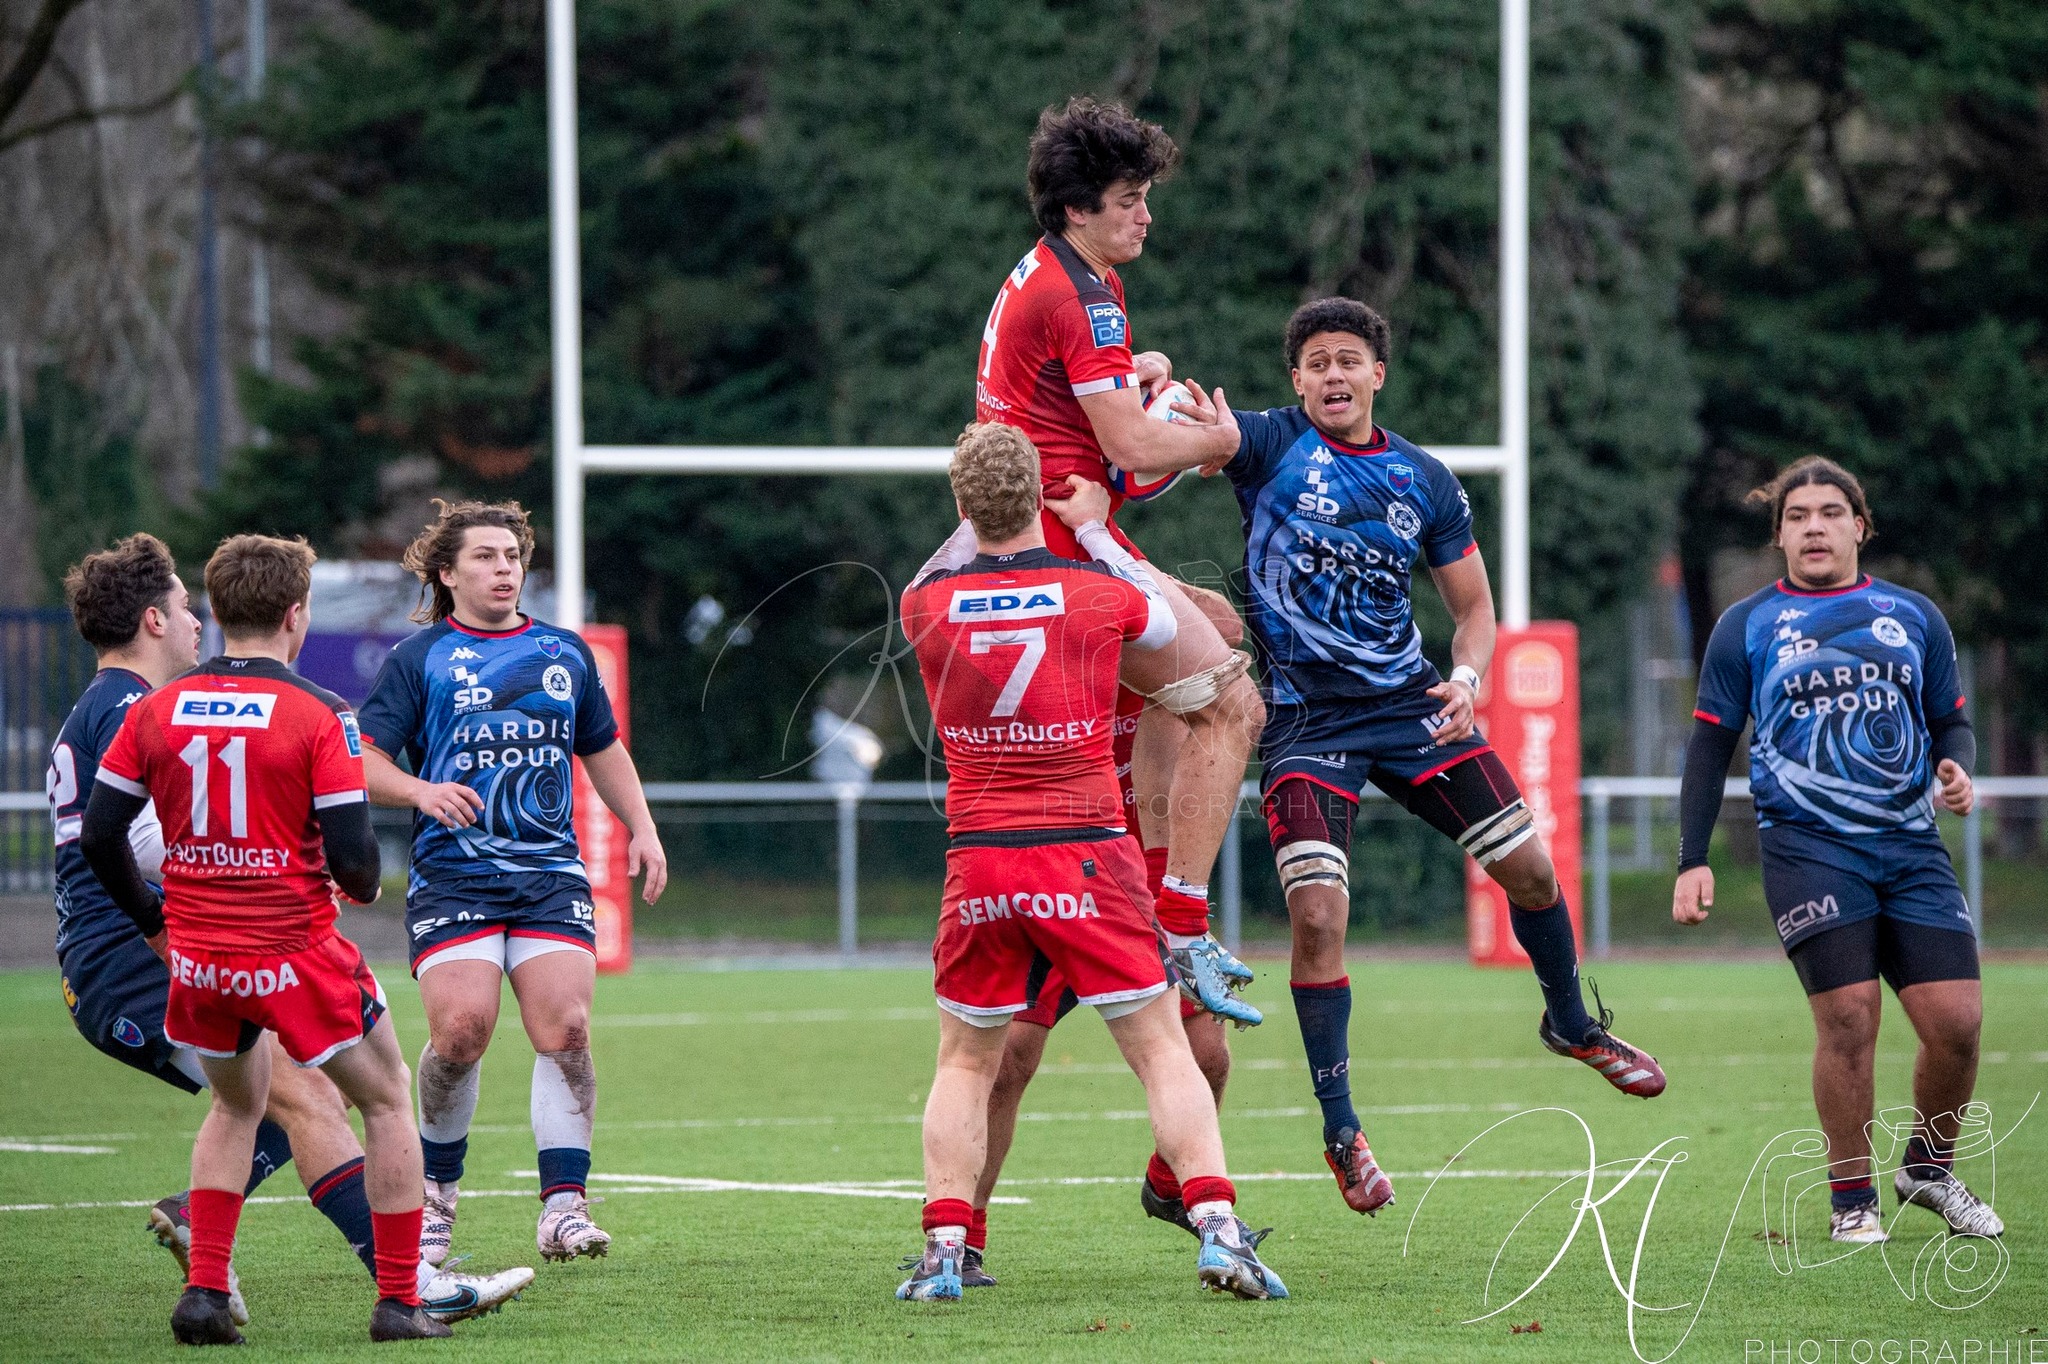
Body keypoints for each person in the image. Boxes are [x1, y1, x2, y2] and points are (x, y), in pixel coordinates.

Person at [1203, 298, 1667, 1214]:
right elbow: (1184, 436)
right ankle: (1343, 1130)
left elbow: (1476, 611)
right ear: (1295, 379)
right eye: (1317, 362)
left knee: (1532, 870)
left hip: (1414, 708)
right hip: (1306, 723)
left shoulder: (1426, 480)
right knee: (1320, 916)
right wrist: (1164, 397)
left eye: (1351, 360)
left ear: (1380, 373)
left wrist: (1466, 675)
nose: (1334, 375)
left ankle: (1571, 1024)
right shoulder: (1263, 445)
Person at [47, 534, 530, 1333]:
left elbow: (103, 832)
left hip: (164, 952)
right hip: (168, 948)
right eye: (180, 608)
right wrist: (223, 881)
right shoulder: (166, 705)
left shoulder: (131, 706)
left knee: (258, 1103)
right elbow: (139, 843)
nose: (195, 625)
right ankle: (408, 1288)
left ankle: (205, 1265)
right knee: (350, 1097)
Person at [893, 422, 1285, 1302]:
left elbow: (938, 565)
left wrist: (980, 496)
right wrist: (1101, 523)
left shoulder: (925, 606)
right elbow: (1190, 636)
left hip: (981, 863)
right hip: (1084, 855)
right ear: (1040, 498)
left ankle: (944, 1252)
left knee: (963, 1061)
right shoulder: (1097, 592)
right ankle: (1219, 1230)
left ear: (960, 507)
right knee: (1159, 1051)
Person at [975, 94, 1262, 1026]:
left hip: (1050, 529)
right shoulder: (1084, 291)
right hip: (1065, 543)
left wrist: (1138, 387)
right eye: (1130, 199)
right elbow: (1134, 452)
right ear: (1076, 208)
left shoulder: (1058, 275)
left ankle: (1145, 886)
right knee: (1232, 700)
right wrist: (1218, 443)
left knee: (1211, 632)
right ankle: (1177, 919)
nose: (1147, 215)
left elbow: (1089, 428)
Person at [1673, 458, 1997, 1243]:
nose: (1813, 526)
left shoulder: (1914, 615)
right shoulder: (1746, 626)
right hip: (1808, 848)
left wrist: (1958, 765)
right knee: (1849, 1018)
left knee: (1956, 1023)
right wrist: (1693, 856)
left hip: (1910, 846)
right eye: (1796, 516)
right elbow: (1710, 748)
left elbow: (1949, 719)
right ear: (1779, 534)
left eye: (1829, 512)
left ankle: (1927, 1169)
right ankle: (1852, 1197)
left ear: (1860, 525)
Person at [356, 499, 667, 1265]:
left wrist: (644, 827)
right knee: (461, 1033)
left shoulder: (562, 654)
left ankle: (564, 1208)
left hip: (548, 875)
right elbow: (360, 760)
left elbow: (603, 749)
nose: (504, 569)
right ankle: (435, 1195)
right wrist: (422, 791)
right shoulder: (419, 659)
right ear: (448, 572)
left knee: (567, 1029)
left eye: (513, 556)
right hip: (454, 875)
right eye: (486, 557)